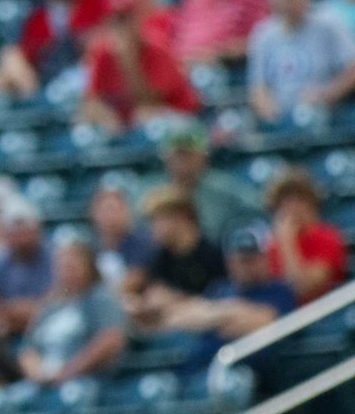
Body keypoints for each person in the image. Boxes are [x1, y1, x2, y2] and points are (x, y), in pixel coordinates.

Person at [157, 225, 297, 368]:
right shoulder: (219, 289)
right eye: (240, 259)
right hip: (200, 368)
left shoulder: (279, 290)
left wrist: (209, 314)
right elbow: (177, 318)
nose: (246, 266)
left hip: (245, 373)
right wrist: (231, 313)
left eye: (252, 259)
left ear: (265, 258)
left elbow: (264, 323)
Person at [248, 0, 355, 124]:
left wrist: (329, 93)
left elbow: (352, 69)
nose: (288, 3)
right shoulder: (263, 35)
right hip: (282, 120)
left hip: (328, 116)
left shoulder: (329, 24)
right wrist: (269, 110)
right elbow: (258, 87)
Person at [17, 233, 128, 387]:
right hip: (45, 383)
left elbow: (111, 339)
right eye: (62, 263)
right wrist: (38, 375)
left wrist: (68, 372)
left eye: (72, 261)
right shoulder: (50, 306)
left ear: (88, 264)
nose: (66, 267)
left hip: (86, 382)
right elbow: (27, 350)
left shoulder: (101, 298)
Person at [80, 0, 200, 133]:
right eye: (117, 20)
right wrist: (104, 115)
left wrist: (128, 61)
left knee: (145, 117)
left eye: (126, 19)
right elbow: (91, 101)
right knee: (86, 130)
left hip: (180, 117)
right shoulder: (104, 53)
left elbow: (150, 102)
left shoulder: (157, 48)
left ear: (138, 20)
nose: (121, 27)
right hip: (135, 120)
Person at [145, 120, 264, 244]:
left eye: (189, 154)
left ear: (204, 155)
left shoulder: (226, 189)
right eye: (178, 154)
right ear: (166, 158)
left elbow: (256, 216)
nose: (183, 161)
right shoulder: (153, 193)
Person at [126, 187, 226, 331]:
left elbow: (220, 300)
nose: (153, 228)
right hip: (171, 327)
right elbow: (151, 293)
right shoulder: (162, 257)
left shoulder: (212, 254)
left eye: (158, 220)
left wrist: (176, 299)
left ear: (181, 218)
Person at [265, 168, 348, 303]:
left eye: (299, 199)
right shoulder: (270, 245)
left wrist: (287, 241)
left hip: (321, 315)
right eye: (284, 201)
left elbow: (303, 288)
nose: (292, 207)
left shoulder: (327, 237)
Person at [0, 192, 52, 341]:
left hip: (47, 325)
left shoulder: (53, 257)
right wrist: (7, 313)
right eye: (16, 233)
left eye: (25, 231)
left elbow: (61, 293)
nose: (21, 238)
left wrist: (35, 310)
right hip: (9, 329)